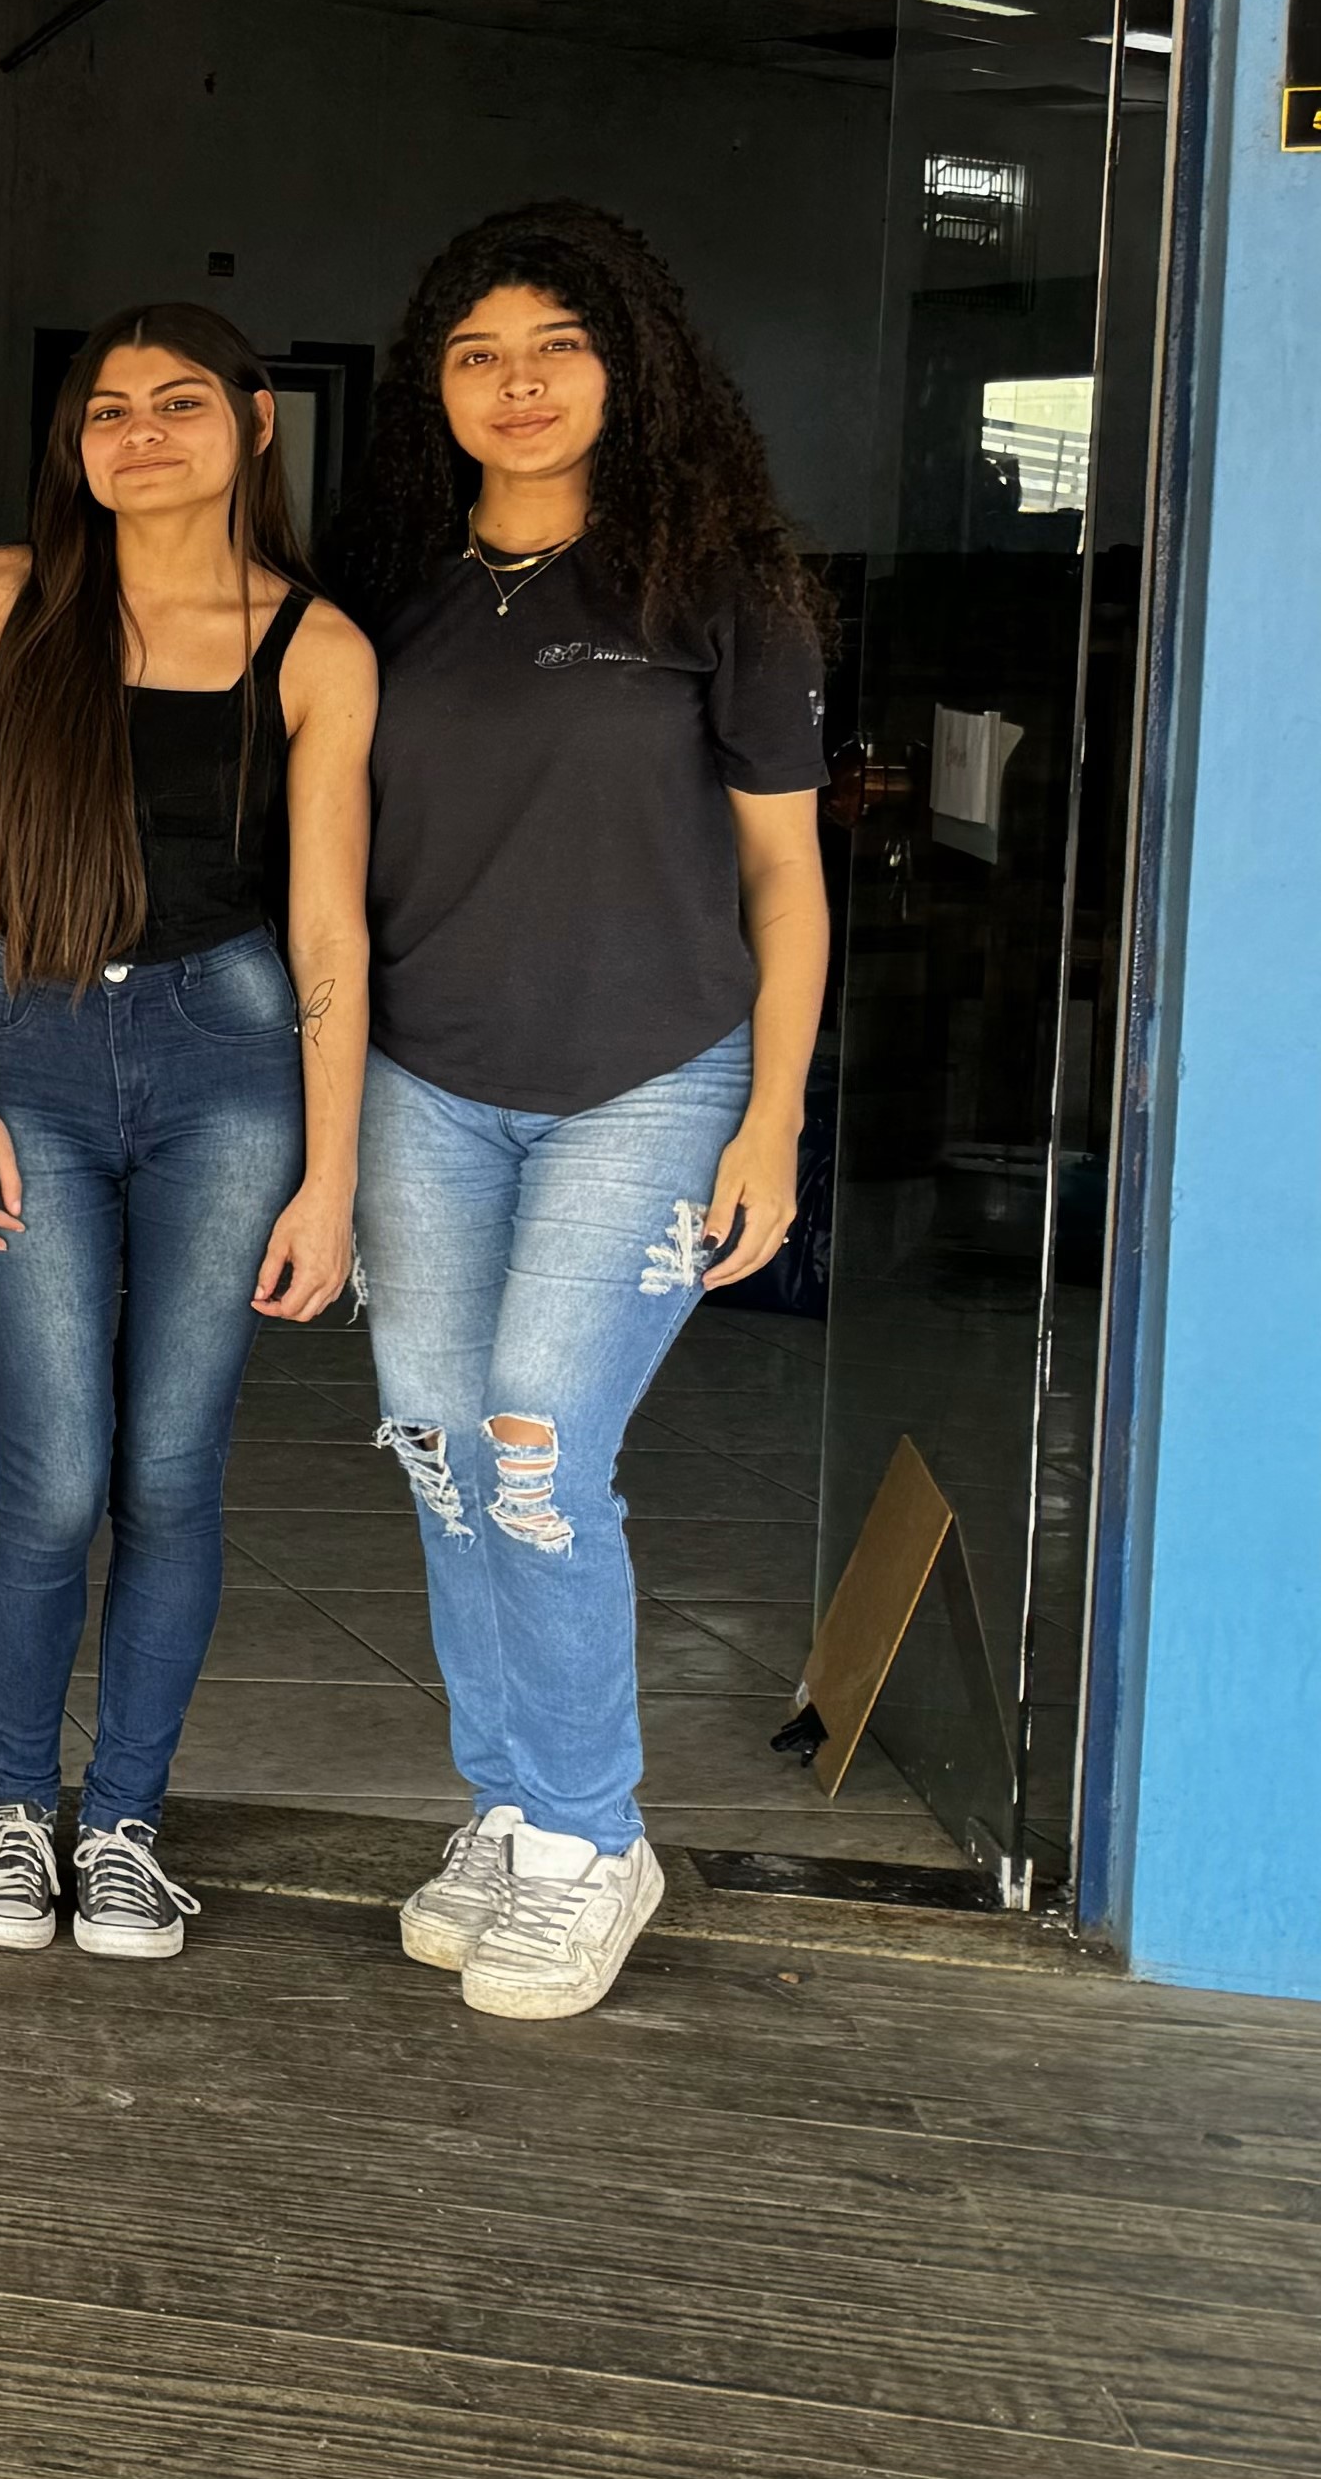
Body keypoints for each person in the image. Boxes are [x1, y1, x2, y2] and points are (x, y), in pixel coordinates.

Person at [332, 201, 825, 2023]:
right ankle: (512, 1806)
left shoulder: (720, 586)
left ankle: (596, 1835)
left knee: (537, 1437)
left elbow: (785, 876)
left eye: (555, 348)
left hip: (652, 1075)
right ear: (433, 391)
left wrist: (774, 1117)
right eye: (477, 355)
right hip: (428, 1082)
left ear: (628, 369)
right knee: (441, 1441)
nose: (518, 385)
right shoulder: (391, 591)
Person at [0, 305, 372, 1960]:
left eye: (179, 403)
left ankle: (125, 1827)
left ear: (255, 421)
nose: (141, 434)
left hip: (229, 1061)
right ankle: (14, 1813)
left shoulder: (315, 645)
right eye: (110, 409)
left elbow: (327, 934)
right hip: (24, 1044)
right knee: (53, 1472)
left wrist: (333, 1172)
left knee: (170, 1468)